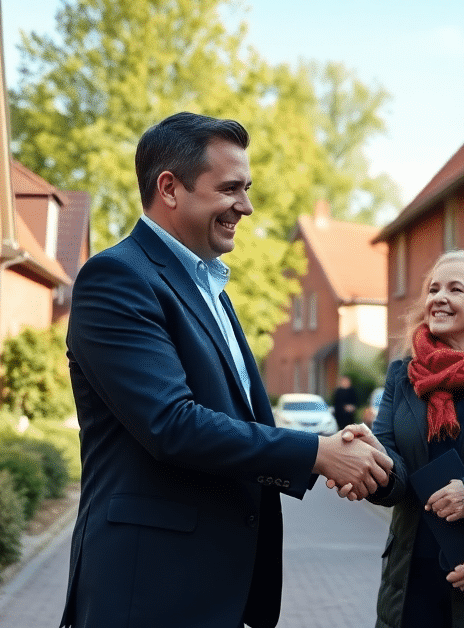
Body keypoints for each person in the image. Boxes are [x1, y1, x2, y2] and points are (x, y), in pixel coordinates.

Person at [59, 112, 392, 628]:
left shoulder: (210, 288)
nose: (247, 206)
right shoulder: (117, 278)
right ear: (169, 188)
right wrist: (316, 453)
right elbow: (172, 423)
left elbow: (233, 419)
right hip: (150, 593)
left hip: (216, 593)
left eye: (248, 187)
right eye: (230, 188)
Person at [366, 249, 464, 628]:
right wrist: (369, 466)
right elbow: (390, 461)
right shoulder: (403, 376)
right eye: (433, 288)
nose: (439, 298)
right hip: (410, 573)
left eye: (455, 289)